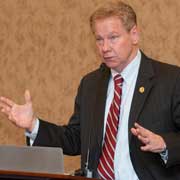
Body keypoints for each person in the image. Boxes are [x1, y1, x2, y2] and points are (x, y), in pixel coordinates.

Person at [0, 1, 180, 180]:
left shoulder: (171, 80)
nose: (105, 48)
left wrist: (165, 144)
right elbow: (75, 139)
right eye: (99, 39)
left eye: (113, 37)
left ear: (134, 34)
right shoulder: (91, 84)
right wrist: (33, 125)